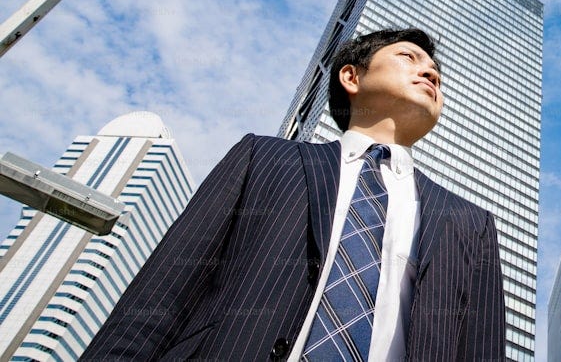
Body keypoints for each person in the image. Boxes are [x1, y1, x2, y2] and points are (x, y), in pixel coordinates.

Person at [82, 28, 506, 361]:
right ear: (351, 77)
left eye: (435, 71)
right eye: (408, 57)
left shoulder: (470, 223)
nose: (430, 72)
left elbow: (481, 350)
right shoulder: (263, 158)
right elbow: (162, 295)